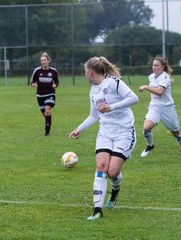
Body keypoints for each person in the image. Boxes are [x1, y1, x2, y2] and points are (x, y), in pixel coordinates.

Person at [69, 56, 138, 221]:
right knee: (101, 166)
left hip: (124, 132)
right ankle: (97, 209)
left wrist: (111, 107)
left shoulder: (114, 82)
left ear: (91, 71)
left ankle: (115, 190)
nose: (84, 74)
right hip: (105, 132)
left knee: (113, 172)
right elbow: (94, 115)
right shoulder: (93, 90)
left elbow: (134, 98)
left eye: (85, 71)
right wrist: (80, 128)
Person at [139, 56, 181, 161]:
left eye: (156, 65)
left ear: (163, 67)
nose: (154, 67)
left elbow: (160, 92)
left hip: (167, 108)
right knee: (146, 128)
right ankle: (150, 145)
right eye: (153, 65)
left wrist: (146, 87)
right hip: (155, 107)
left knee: (175, 132)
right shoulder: (151, 77)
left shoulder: (165, 77)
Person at [31, 52, 59, 136]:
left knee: (47, 111)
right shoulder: (37, 71)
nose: (43, 62)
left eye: (44, 60)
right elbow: (32, 81)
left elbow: (57, 81)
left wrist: (55, 85)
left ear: (48, 61)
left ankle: (47, 132)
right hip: (40, 95)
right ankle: (48, 121)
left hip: (50, 94)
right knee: (44, 113)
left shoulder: (53, 71)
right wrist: (33, 84)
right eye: (41, 60)